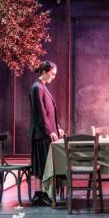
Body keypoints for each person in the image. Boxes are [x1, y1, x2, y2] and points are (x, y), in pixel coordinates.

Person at [29, 60, 64, 206]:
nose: (54, 77)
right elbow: (40, 113)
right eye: (52, 74)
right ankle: (40, 195)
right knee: (41, 165)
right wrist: (50, 131)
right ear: (44, 72)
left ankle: (40, 195)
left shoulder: (42, 87)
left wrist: (56, 128)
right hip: (41, 134)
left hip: (44, 132)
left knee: (43, 164)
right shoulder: (37, 87)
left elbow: (49, 113)